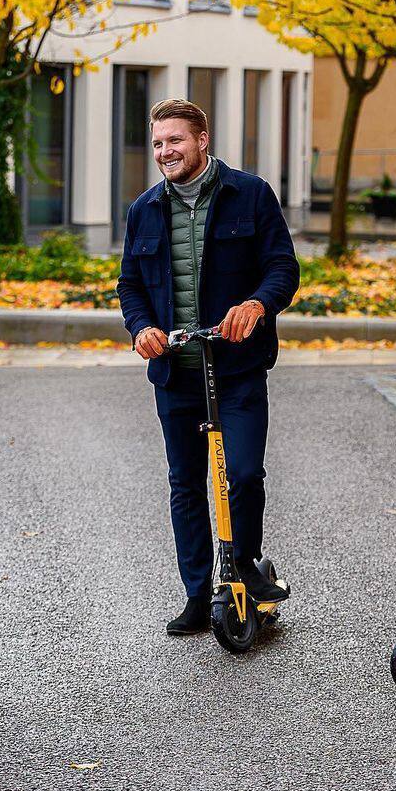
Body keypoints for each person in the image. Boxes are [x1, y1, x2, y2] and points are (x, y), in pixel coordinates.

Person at [117, 98, 300, 636]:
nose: (164, 152)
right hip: (176, 372)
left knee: (242, 474)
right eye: (157, 143)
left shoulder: (250, 194)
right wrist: (140, 328)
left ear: (202, 140)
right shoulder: (144, 209)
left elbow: (282, 267)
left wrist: (257, 304)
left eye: (174, 140)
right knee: (185, 485)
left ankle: (243, 568)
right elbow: (130, 285)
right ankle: (198, 594)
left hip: (237, 368)